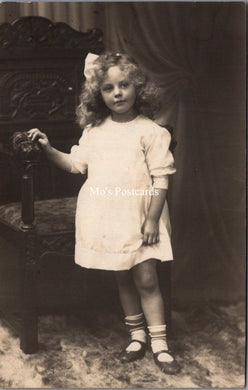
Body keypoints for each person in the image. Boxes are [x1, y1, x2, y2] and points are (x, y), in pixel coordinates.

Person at [28, 51, 180, 374]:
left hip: (141, 217)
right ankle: (136, 335)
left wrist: (153, 218)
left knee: (146, 278)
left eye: (124, 85)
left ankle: (160, 343)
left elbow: (161, 178)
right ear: (99, 94)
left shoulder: (149, 131)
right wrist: (47, 147)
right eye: (109, 88)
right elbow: (75, 164)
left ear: (137, 87)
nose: (118, 93)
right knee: (122, 275)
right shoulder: (95, 132)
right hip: (108, 217)